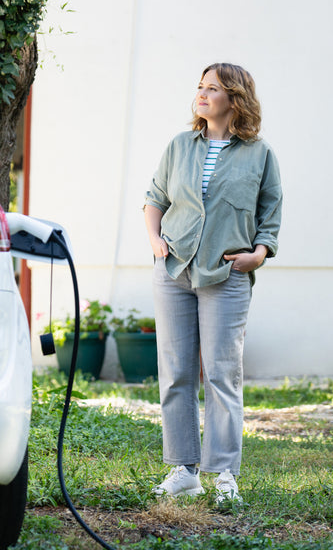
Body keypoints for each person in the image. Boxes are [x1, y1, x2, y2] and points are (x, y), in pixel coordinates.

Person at [143, 63, 282, 501]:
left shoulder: (259, 154)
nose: (202, 95)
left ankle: (224, 475)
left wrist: (257, 255)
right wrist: (154, 241)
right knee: (176, 373)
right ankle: (184, 470)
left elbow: (270, 214)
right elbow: (154, 200)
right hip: (174, 271)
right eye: (200, 87)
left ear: (234, 99)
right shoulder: (180, 146)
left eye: (213, 89)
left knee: (223, 374)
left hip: (227, 274)